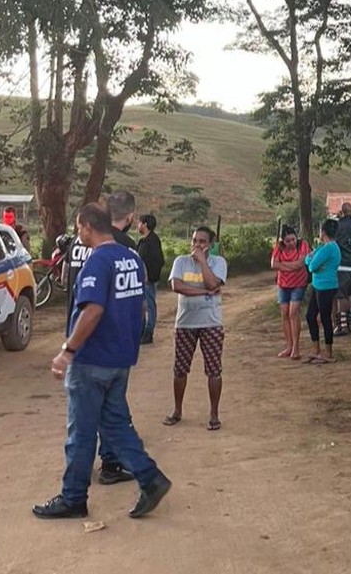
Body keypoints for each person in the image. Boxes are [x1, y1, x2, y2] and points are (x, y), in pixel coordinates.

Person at [33, 203, 171, 519]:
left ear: (86, 226)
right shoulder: (133, 260)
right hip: (120, 359)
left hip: (92, 360)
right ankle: (151, 479)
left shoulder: (98, 262)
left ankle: (74, 498)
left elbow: (92, 310)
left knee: (80, 432)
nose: (77, 234)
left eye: (78, 228)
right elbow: (140, 309)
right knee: (116, 425)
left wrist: (68, 350)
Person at [92, 190, 140, 484]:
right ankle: (110, 464)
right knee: (111, 404)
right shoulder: (126, 248)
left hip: (80, 337)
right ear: (131, 216)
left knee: (86, 407)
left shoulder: (81, 241)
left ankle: (81, 471)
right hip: (111, 341)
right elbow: (136, 299)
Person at [163, 226, 228, 431]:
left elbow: (212, 282)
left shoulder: (219, 262)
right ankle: (177, 409)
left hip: (211, 323)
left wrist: (202, 261)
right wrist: (203, 293)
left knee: (213, 370)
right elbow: (177, 286)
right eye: (194, 241)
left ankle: (214, 414)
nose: (197, 245)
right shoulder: (180, 262)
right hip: (185, 322)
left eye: (202, 241)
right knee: (180, 369)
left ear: (211, 244)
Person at [304, 219, 341, 364]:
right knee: (310, 315)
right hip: (318, 285)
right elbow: (309, 260)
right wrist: (314, 262)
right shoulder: (325, 247)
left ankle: (328, 351)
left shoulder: (327, 248)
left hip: (325, 286)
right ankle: (316, 348)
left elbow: (311, 266)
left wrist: (313, 263)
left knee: (325, 318)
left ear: (323, 232)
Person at [271, 224, 310, 359]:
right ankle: (288, 346)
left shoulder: (303, 244)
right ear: (283, 241)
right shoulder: (278, 247)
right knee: (284, 314)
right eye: (288, 241)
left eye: (293, 239)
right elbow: (273, 264)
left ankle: (296, 347)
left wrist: (283, 266)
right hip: (283, 284)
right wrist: (293, 266)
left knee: (293, 313)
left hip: (299, 283)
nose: (292, 243)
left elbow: (302, 263)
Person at [137, 214, 165, 345]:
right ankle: (142, 331)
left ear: (145, 224)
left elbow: (157, 261)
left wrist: (150, 276)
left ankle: (148, 333)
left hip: (148, 280)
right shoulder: (144, 241)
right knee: (142, 307)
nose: (138, 225)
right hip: (142, 280)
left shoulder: (152, 241)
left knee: (149, 306)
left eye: (140, 223)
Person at [334, 203, 351, 336]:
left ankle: (342, 325)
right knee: (349, 294)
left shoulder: (339, 225)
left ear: (342, 212)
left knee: (341, 295)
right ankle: (349, 323)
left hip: (342, 263)